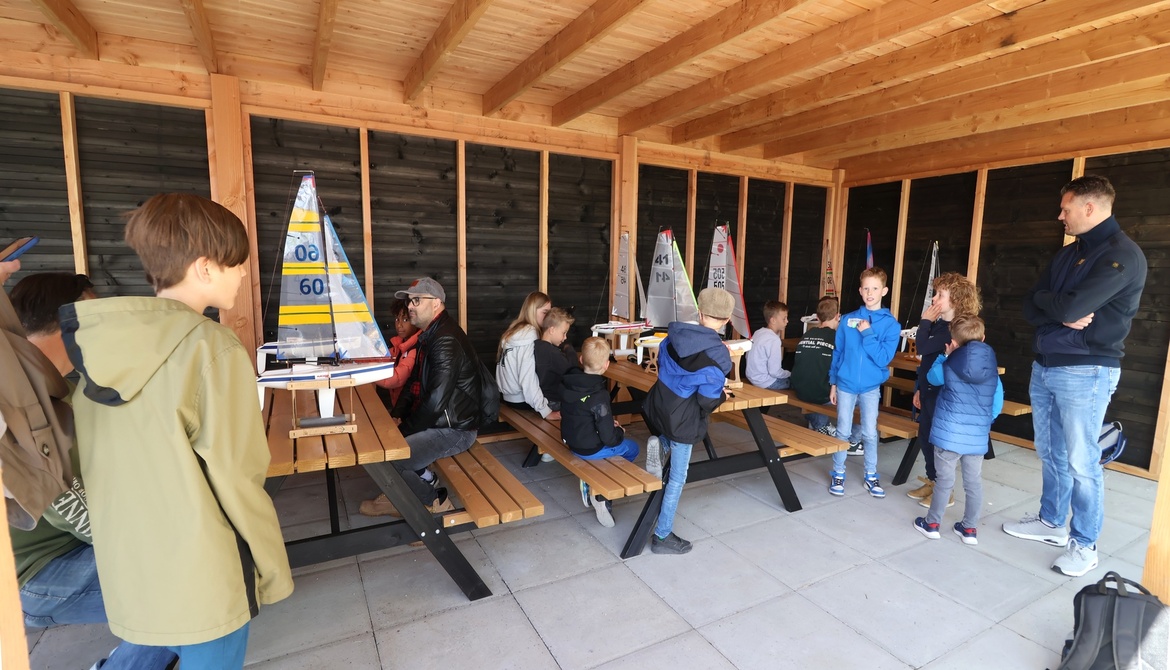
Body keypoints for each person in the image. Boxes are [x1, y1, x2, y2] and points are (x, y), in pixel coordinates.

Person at [59, 193, 293, 669]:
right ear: (205, 267)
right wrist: (273, 569)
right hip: (204, 574)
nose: (243, 274)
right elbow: (238, 477)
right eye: (237, 264)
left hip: (130, 570)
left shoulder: (93, 348)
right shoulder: (212, 348)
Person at [5, 275, 175, 670]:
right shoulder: (26, 404)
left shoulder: (54, 384)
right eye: (96, 315)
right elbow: (80, 516)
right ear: (71, 321)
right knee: (186, 587)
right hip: (37, 575)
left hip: (63, 546)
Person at [1004, 175, 1148, 577]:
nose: (1060, 216)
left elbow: (1069, 308)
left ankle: (1085, 545)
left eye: (1065, 209)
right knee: (1050, 450)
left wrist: (1056, 307)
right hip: (1046, 364)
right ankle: (1052, 522)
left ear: (1089, 207)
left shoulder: (1122, 255)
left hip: (1087, 370)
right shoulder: (1069, 254)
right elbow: (1031, 305)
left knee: (1082, 461)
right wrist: (1056, 306)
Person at [359, 277, 487, 517]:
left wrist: (403, 431)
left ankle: (433, 502)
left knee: (391, 457)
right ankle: (401, 492)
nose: (410, 306)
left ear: (436, 303)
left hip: (455, 430)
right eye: (409, 301)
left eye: (416, 300)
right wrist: (397, 414)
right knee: (384, 446)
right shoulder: (430, 336)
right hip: (440, 422)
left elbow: (436, 403)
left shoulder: (445, 340)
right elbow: (412, 384)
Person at [641, 287, 734, 555]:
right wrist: (722, 395)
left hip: (660, 405)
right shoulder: (718, 355)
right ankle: (662, 536)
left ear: (700, 313)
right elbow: (706, 401)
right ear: (727, 320)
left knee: (668, 437)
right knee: (677, 479)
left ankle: (661, 444)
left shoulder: (672, 336)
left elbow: (667, 368)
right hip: (684, 420)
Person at [913, 315, 1003, 546]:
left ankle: (932, 524)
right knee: (973, 483)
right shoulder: (992, 370)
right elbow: (996, 404)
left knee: (944, 481)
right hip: (977, 437)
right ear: (983, 338)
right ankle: (969, 529)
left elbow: (932, 377)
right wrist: (982, 423)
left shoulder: (948, 364)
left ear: (952, 341)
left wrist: (945, 355)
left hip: (948, 435)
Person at [907, 272, 982, 509]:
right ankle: (934, 481)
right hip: (928, 390)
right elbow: (926, 361)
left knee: (939, 443)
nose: (934, 299)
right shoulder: (940, 325)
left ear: (956, 300)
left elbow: (922, 347)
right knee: (925, 437)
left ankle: (944, 490)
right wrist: (919, 389)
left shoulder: (953, 329)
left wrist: (924, 321)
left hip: (943, 395)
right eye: (935, 293)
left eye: (940, 295)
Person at [827, 267, 901, 498]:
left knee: (869, 433)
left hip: (870, 387)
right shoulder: (847, 319)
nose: (870, 293)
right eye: (866, 288)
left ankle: (871, 475)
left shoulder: (891, 325)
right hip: (845, 384)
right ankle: (838, 472)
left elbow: (883, 359)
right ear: (860, 290)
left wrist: (868, 333)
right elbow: (838, 352)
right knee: (843, 430)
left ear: (884, 291)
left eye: (875, 288)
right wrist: (833, 382)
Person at [560, 337, 640, 528]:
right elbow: (609, 438)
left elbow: (582, 414)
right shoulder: (599, 394)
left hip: (571, 442)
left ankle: (595, 480)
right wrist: (619, 431)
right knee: (632, 448)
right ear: (606, 365)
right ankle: (601, 490)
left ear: (581, 360)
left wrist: (607, 424)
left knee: (612, 447)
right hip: (591, 449)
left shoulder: (569, 384)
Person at [497, 291, 560, 420]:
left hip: (509, 398)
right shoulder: (529, 334)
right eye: (545, 312)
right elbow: (528, 378)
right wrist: (546, 412)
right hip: (522, 400)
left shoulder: (515, 330)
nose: (549, 317)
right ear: (532, 311)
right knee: (575, 402)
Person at [375, 298, 420, 407]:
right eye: (397, 319)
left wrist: (366, 373)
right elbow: (382, 358)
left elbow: (395, 379)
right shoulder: (398, 345)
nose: (399, 325)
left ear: (416, 321)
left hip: (409, 409)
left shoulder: (415, 350)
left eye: (405, 320)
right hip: (398, 405)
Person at [534, 307, 578, 411]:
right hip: (553, 401)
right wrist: (569, 349)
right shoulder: (551, 353)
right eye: (564, 333)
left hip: (543, 398)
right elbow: (572, 370)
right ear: (552, 330)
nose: (565, 337)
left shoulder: (537, 346)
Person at [745, 300, 791, 390]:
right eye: (784, 318)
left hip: (752, 378)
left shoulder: (758, 332)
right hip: (766, 382)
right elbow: (774, 372)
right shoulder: (774, 340)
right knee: (797, 381)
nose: (787, 321)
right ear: (773, 320)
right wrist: (790, 373)